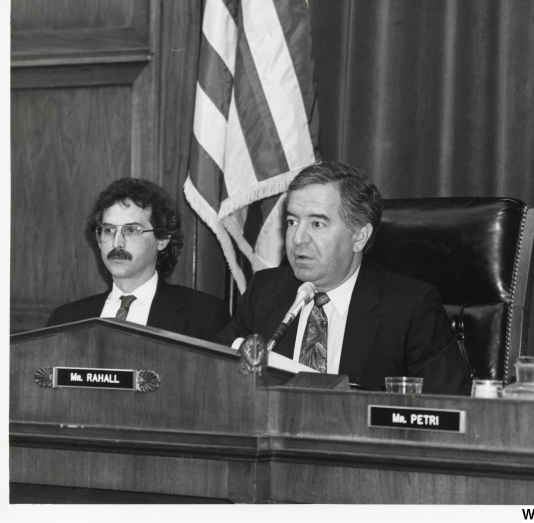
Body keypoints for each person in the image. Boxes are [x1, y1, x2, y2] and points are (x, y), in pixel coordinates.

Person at [215, 161, 472, 395]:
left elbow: (448, 404)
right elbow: (213, 373)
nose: (298, 239)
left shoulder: (409, 307)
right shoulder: (265, 291)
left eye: (317, 224)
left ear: (358, 236)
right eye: (293, 222)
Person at [48, 177, 230, 340]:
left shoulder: (204, 317)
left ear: (162, 239)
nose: (117, 243)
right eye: (109, 230)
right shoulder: (66, 320)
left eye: (131, 230)